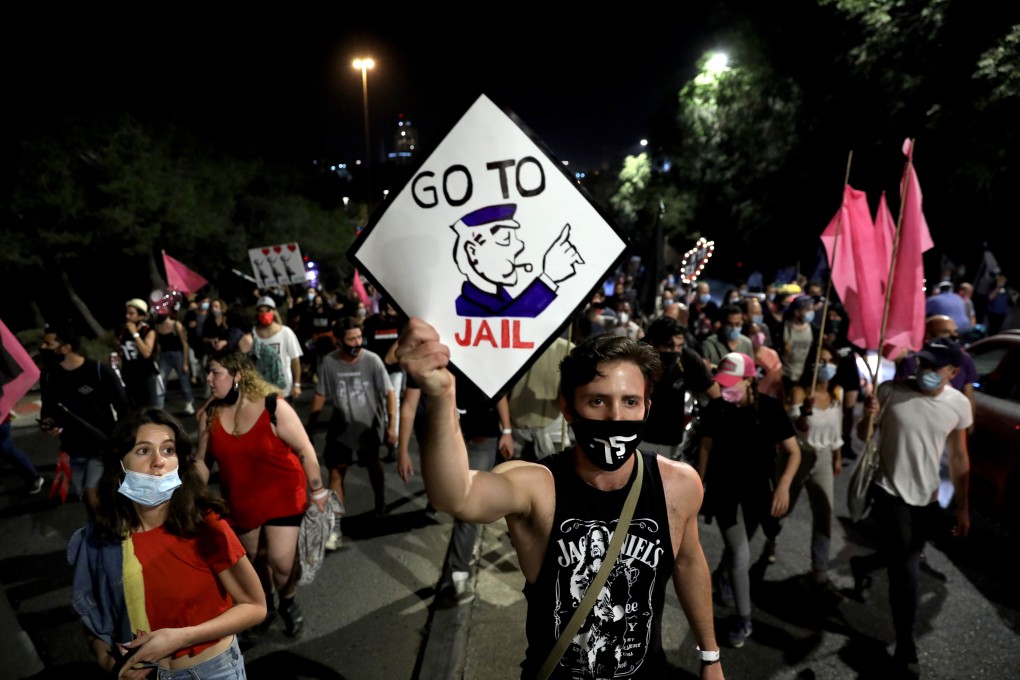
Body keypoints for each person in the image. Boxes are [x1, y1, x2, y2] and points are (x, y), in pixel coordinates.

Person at [396, 317, 724, 679]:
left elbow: (689, 563)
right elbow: (456, 495)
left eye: (630, 401)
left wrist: (710, 656)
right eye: (597, 401)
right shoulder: (538, 485)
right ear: (567, 408)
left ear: (646, 406)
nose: (616, 417)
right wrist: (441, 395)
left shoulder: (678, 485)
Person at [68, 408, 266, 678]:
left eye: (168, 450)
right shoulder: (101, 538)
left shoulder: (203, 524)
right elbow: (94, 618)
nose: (158, 461)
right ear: (120, 463)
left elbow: (255, 606)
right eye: (143, 450)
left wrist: (183, 637)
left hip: (213, 672)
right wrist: (110, 664)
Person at [850, 338, 971, 675]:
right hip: (889, 489)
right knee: (906, 566)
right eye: (923, 364)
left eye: (935, 367)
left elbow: (959, 457)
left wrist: (962, 507)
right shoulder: (891, 391)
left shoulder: (959, 404)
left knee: (900, 554)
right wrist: (867, 415)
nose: (925, 371)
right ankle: (905, 645)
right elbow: (864, 435)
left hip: (927, 497)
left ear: (953, 372)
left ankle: (862, 565)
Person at [196, 349, 327, 639]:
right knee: (256, 561)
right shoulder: (210, 415)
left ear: (237, 375)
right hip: (241, 499)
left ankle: (288, 602)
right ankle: (265, 607)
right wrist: (189, 492)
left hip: (283, 495)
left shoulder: (273, 406)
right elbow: (202, 462)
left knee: (281, 562)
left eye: (215, 372)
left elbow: (305, 448)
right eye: (208, 372)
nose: (208, 379)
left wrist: (317, 489)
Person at [696, 352, 800, 648]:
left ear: (749, 380)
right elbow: (705, 447)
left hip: (758, 492)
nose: (725, 388)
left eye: (732, 382)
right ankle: (744, 618)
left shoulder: (769, 408)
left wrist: (783, 486)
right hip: (724, 491)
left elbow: (794, 451)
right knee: (740, 553)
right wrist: (698, 484)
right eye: (722, 382)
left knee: (738, 549)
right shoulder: (717, 408)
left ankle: (723, 578)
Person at [397, 374, 515, 606]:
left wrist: (507, 431)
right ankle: (461, 563)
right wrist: (402, 450)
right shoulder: (431, 360)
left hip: (482, 437)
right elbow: (409, 405)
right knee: (448, 500)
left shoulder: (481, 356)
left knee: (470, 503)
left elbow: (499, 391)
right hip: (446, 440)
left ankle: (459, 573)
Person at [307, 317, 396, 550]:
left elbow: (389, 392)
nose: (357, 342)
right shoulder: (330, 362)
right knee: (336, 472)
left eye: (359, 337)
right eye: (351, 339)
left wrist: (391, 425)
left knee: (372, 465)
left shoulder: (372, 360)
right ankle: (335, 528)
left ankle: (380, 502)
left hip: (368, 426)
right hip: (341, 427)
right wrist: (310, 425)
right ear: (339, 341)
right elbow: (320, 394)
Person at [39, 324, 129, 514]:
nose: (43, 347)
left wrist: (120, 442)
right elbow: (48, 409)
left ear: (66, 347)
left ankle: (112, 530)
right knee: (88, 501)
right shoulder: (48, 375)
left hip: (100, 448)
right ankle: (107, 527)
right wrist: (48, 424)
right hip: (72, 450)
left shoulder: (99, 370)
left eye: (48, 344)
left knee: (92, 495)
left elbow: (124, 408)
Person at [784, 343, 844, 599]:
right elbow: (796, 429)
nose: (825, 365)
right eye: (821, 360)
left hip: (823, 459)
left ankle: (820, 572)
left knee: (824, 515)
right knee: (781, 510)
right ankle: (766, 549)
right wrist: (804, 414)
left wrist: (837, 456)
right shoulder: (799, 392)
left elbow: (837, 427)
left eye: (830, 361)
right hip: (799, 458)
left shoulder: (837, 393)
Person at [639, 316, 717, 461]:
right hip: (638, 436)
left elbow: (715, 394)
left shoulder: (688, 358)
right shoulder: (636, 358)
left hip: (671, 439)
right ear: (653, 344)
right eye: (669, 346)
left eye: (679, 346)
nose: (675, 351)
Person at [362, 299, 408, 462]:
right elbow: (365, 346)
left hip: (394, 370)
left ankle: (392, 443)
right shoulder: (370, 323)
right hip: (375, 370)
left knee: (394, 403)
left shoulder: (400, 323)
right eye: (389, 306)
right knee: (375, 404)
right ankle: (376, 439)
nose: (392, 309)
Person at [251, 295, 304, 402]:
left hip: (283, 389)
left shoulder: (286, 332)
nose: (265, 314)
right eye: (261, 311)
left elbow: (295, 360)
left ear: (274, 312)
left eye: (268, 310)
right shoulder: (252, 333)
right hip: (260, 389)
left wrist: (297, 384)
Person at [117, 298, 162, 409]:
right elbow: (122, 350)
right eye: (127, 313)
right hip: (129, 375)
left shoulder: (148, 331)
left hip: (145, 375)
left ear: (141, 316)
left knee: (150, 408)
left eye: (131, 313)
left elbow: (146, 353)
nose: (127, 316)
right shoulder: (123, 330)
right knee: (134, 409)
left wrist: (135, 334)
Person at [154, 302, 195, 415]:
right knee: (160, 381)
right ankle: (159, 407)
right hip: (164, 356)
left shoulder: (176, 324)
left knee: (184, 381)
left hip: (178, 355)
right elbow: (158, 344)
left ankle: (189, 403)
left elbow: (185, 343)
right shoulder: (157, 326)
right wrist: (157, 359)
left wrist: (185, 362)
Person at [702, 304, 755, 369]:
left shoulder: (746, 343)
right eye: (730, 324)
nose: (734, 328)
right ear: (722, 324)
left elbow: (750, 369)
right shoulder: (709, 345)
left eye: (737, 324)